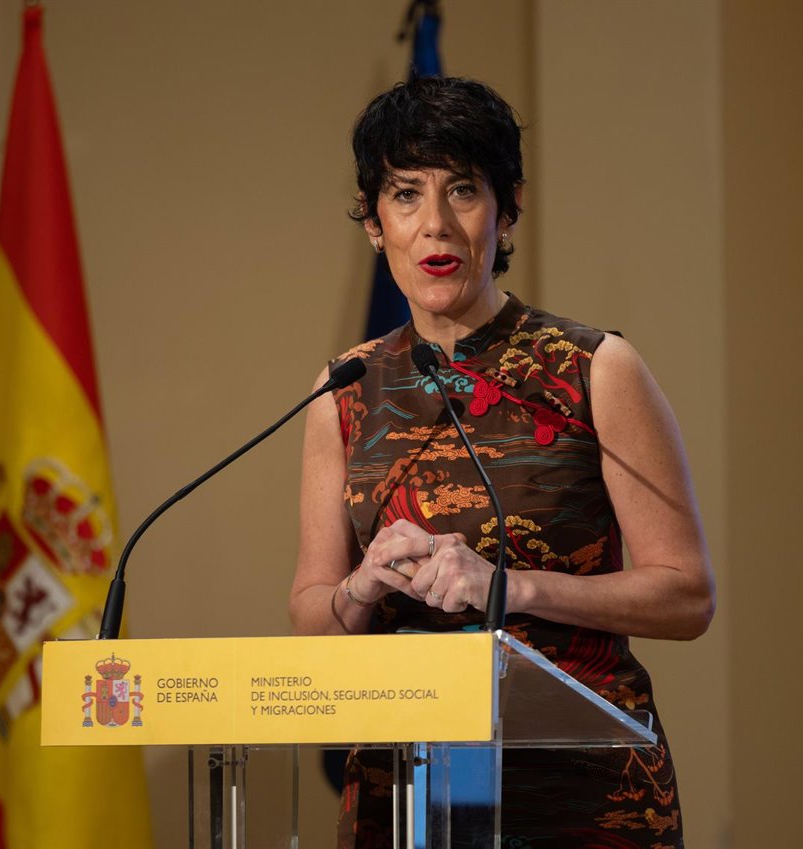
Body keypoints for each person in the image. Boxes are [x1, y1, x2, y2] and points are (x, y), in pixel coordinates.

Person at [289, 77, 715, 848]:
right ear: (374, 222)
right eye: (406, 194)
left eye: (463, 189)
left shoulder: (593, 367)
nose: (435, 223)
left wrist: (511, 586)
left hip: (581, 795)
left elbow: (686, 595)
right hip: (401, 791)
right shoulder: (344, 389)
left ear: (508, 206)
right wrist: (360, 585)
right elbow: (312, 614)